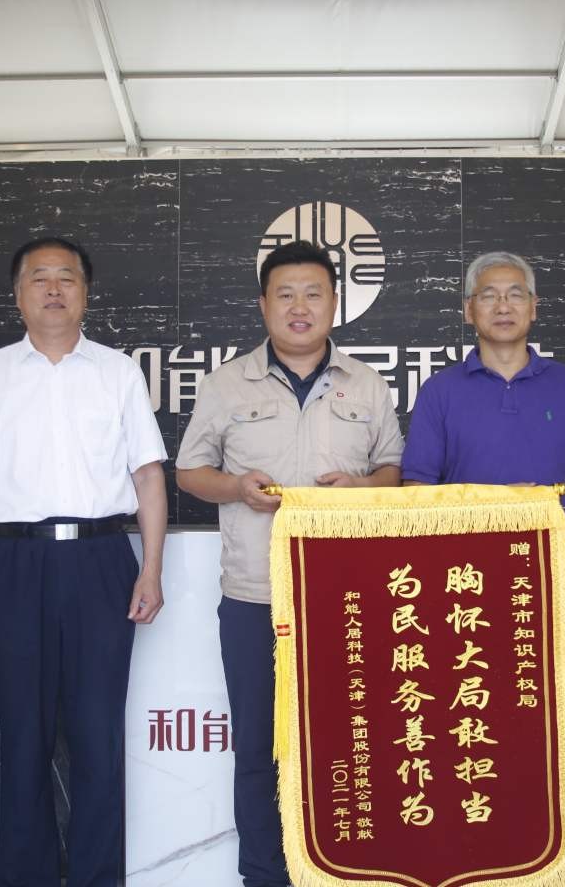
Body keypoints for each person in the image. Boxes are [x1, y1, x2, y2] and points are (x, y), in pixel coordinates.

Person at [0, 237, 168, 887]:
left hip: (101, 560)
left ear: (86, 293)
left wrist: (150, 569)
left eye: (67, 277)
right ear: (17, 296)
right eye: (39, 278)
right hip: (13, 563)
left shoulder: (117, 372)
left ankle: (97, 876)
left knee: (98, 734)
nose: (54, 289)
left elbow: (148, 476)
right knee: (23, 733)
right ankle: (26, 875)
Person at [175, 239, 403, 887]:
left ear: (334, 303)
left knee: (346, 744)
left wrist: (363, 488)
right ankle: (263, 875)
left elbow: (393, 469)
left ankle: (342, 871)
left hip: (345, 597)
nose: (299, 307)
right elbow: (189, 472)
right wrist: (235, 486)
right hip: (255, 596)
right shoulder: (226, 384)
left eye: (313, 294)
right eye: (285, 295)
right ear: (263, 305)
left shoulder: (367, 384)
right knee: (258, 749)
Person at [400, 250, 565, 653]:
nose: (503, 306)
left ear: (534, 307)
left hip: (550, 580)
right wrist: (496, 504)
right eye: (489, 295)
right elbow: (415, 495)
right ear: (468, 310)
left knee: (545, 688)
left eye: (515, 294)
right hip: (462, 584)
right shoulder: (439, 392)